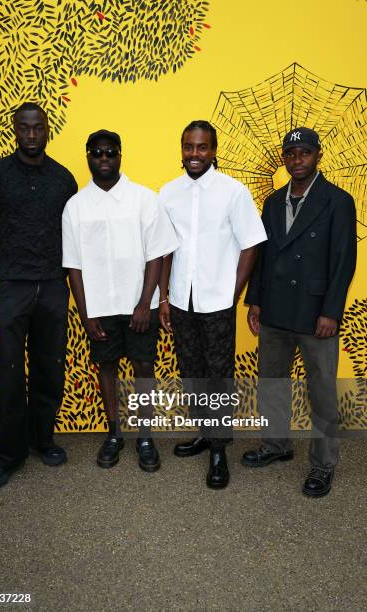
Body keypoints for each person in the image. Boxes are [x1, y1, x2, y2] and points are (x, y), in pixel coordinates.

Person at [242, 127, 357, 497]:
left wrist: (331, 311)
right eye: (290, 154)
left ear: (317, 156)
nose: (297, 160)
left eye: (304, 153)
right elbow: (263, 257)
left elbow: (343, 261)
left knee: (321, 391)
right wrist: (255, 301)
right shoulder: (273, 203)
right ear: (284, 158)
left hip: (315, 314)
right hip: (275, 310)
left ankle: (323, 465)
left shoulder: (337, 201)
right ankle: (276, 445)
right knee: (272, 383)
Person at [0, 102, 78, 489]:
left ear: (47, 129)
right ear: (15, 130)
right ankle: (8, 454)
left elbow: (73, 236)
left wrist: (60, 275)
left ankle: (42, 440)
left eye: (38, 128)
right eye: (25, 128)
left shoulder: (64, 180)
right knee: (11, 375)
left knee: (50, 368)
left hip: (52, 285)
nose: (31, 135)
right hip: (11, 288)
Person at [158, 120, 267, 489]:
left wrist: (232, 293)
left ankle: (219, 450)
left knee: (218, 374)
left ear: (214, 149)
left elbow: (251, 243)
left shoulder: (233, 192)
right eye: (188, 146)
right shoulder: (168, 193)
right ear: (182, 148)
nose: (194, 154)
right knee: (191, 370)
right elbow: (164, 249)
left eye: (202, 147)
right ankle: (205, 433)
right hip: (181, 299)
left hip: (217, 300)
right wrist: (164, 297)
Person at [62, 130, 179, 472]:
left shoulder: (144, 199)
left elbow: (157, 254)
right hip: (99, 310)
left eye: (109, 153)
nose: (103, 159)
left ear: (120, 155)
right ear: (88, 156)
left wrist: (146, 303)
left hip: (140, 305)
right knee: (107, 368)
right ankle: (114, 433)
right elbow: (74, 265)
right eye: (96, 153)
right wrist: (86, 315)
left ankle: (145, 435)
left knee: (144, 368)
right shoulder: (75, 207)